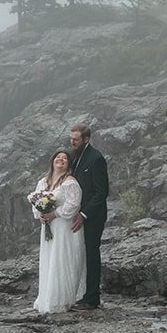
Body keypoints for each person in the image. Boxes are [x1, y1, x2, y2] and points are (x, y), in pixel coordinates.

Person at [29, 149, 86, 313]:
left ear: (68, 164)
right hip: (48, 226)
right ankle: (48, 297)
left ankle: (62, 299)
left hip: (64, 227)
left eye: (65, 158)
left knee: (62, 259)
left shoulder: (70, 182)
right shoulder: (43, 182)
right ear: (52, 160)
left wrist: (54, 214)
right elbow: (36, 202)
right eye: (58, 157)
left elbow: (73, 204)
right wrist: (40, 215)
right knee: (49, 260)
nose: (61, 159)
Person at [66, 123, 108, 309]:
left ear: (86, 139)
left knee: (91, 254)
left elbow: (101, 192)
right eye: (71, 139)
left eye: (76, 140)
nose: (72, 142)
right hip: (75, 214)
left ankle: (92, 298)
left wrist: (83, 214)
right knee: (77, 254)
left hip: (93, 216)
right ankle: (79, 293)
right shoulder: (74, 156)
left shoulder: (96, 158)